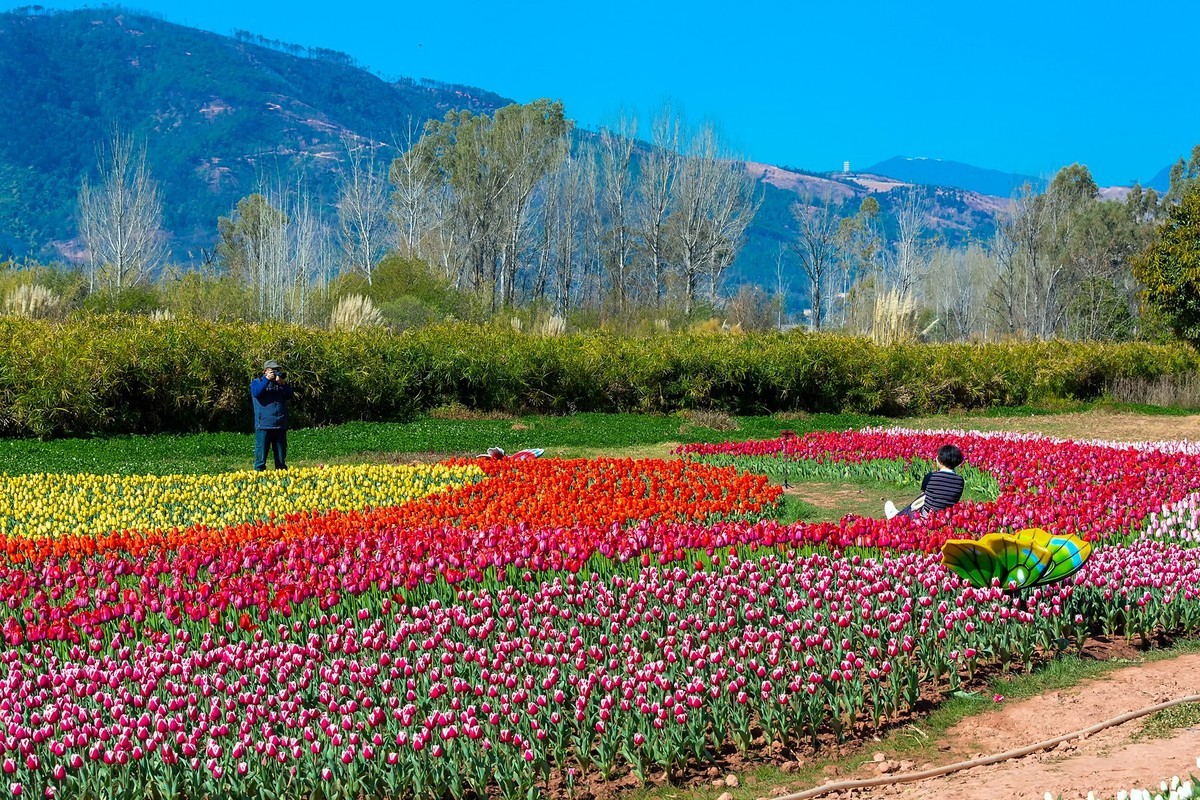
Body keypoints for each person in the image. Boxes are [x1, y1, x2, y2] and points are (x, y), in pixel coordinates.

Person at [885, 443, 964, 519]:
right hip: (947, 515)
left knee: (916, 504)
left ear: (940, 461)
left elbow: (924, 492)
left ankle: (896, 518)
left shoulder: (931, 476)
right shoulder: (960, 480)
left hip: (927, 515)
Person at [250, 359, 295, 470]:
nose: (275, 373)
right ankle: (259, 479)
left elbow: (290, 395)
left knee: (280, 459)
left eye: (277, 370)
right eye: (273, 370)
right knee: (260, 458)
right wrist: (266, 380)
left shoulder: (280, 384)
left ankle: (281, 479)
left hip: (280, 425)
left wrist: (283, 384)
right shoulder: (257, 382)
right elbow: (257, 392)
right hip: (264, 425)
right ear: (265, 371)